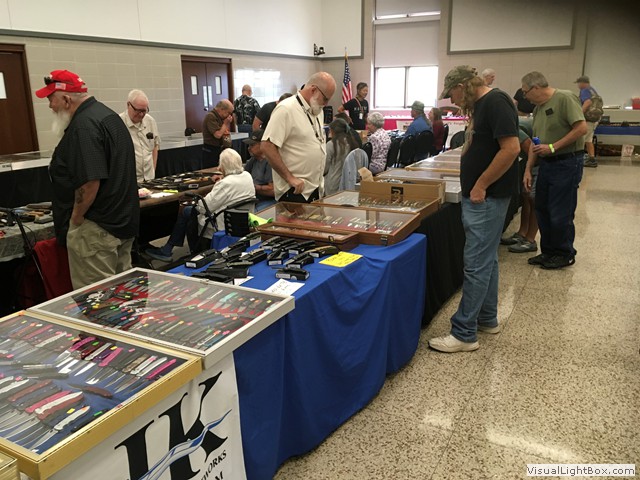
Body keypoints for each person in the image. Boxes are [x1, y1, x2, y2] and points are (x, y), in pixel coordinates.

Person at [428, 65, 520, 353]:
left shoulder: (495, 102)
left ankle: (464, 333)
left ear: (463, 86)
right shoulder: (482, 105)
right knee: (487, 260)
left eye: (452, 93)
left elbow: (511, 148)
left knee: (476, 264)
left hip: (486, 198)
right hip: (484, 197)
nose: (452, 100)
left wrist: (480, 184)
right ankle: (487, 317)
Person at [35, 70, 139, 289]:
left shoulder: (83, 126)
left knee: (98, 299)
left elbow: (90, 181)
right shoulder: (109, 116)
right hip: (121, 222)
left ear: (66, 99)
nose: (50, 106)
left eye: (51, 99)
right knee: (124, 295)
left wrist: (76, 218)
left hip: (96, 231)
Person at [521, 71, 586, 270]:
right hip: (546, 165)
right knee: (542, 209)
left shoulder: (564, 98)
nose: (524, 97)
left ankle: (564, 253)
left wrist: (553, 147)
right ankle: (548, 251)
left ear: (535, 88)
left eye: (525, 92)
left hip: (567, 163)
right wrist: (528, 169)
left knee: (560, 211)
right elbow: (535, 142)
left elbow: (581, 128)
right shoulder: (538, 109)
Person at [145, 149, 255, 262]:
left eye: (220, 165)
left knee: (187, 211)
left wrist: (210, 191)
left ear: (224, 166)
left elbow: (203, 208)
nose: (218, 168)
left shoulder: (225, 184)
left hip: (222, 222)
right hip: (241, 220)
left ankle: (180, 250)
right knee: (188, 211)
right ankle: (173, 248)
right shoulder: (247, 176)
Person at [262, 72, 337, 203]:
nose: (326, 104)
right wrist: (290, 178)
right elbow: (267, 146)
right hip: (294, 190)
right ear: (313, 90)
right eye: (325, 99)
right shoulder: (286, 109)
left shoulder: (317, 110)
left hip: (315, 189)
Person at [501, 118, 538, 253]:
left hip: (538, 160)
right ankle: (522, 233)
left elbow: (531, 150)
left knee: (533, 198)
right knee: (525, 196)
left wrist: (528, 171)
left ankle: (530, 240)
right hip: (530, 160)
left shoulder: (509, 127)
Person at [120, 89, 160, 184]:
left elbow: (155, 146)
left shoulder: (150, 121)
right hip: (130, 181)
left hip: (149, 179)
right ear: (128, 105)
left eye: (144, 111)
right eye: (138, 111)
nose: (141, 114)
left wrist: (153, 171)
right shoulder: (119, 123)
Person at [243, 129, 276, 211]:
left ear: (262, 145)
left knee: (250, 214)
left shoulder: (270, 162)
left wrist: (253, 187)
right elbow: (242, 174)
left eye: (252, 145)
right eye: (249, 145)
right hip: (253, 198)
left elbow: (272, 190)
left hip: (267, 201)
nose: (249, 148)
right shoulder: (253, 160)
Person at [324, 118, 358, 196]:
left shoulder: (331, 144)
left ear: (332, 131)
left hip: (333, 184)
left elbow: (325, 168)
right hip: (349, 182)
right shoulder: (352, 143)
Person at [576, 75, 599, 168]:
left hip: (588, 118)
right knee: (588, 139)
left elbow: (587, 102)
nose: (578, 85)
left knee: (581, 139)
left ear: (582, 83)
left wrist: (579, 114)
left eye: (578, 83)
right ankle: (591, 159)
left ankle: (578, 158)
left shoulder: (585, 90)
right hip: (594, 118)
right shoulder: (592, 90)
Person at [202, 99, 233, 168]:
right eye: (228, 113)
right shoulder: (211, 116)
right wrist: (226, 124)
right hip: (211, 151)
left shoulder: (220, 118)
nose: (229, 116)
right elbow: (218, 135)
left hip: (219, 149)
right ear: (222, 109)